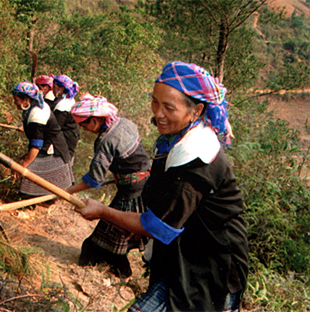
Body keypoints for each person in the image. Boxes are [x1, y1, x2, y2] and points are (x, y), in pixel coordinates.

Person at [74, 62, 249, 311]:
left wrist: (102, 211)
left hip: (211, 265)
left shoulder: (196, 156)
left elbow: (158, 226)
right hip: (182, 253)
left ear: (197, 110)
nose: (158, 113)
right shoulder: (174, 138)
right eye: (155, 102)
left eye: (169, 107)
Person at [67, 93, 151, 278]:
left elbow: (94, 180)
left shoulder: (105, 141)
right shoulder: (124, 123)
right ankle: (119, 271)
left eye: (84, 124)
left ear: (96, 120)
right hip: (145, 184)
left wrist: (67, 192)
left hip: (132, 194)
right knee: (120, 235)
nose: (84, 129)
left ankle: (121, 274)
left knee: (101, 242)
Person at [11, 82, 73, 199]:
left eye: (16, 99)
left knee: (29, 172)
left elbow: (36, 145)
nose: (15, 103)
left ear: (26, 99)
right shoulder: (33, 107)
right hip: (46, 147)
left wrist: (22, 166)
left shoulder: (38, 113)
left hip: (54, 152)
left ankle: (33, 204)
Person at [49, 74, 81, 160]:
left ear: (61, 89)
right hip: (70, 137)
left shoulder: (62, 105)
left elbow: (56, 127)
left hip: (66, 140)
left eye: (54, 86)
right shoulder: (67, 100)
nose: (53, 89)